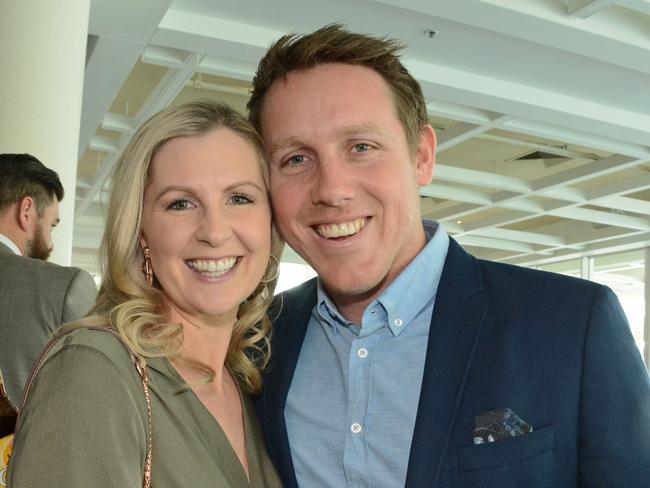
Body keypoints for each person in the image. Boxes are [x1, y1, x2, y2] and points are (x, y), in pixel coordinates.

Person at [247, 24, 650, 487]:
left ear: (422, 156)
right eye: (295, 159)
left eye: (361, 147)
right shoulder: (259, 339)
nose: (331, 190)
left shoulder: (572, 325)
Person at [8, 101, 284, 487]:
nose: (215, 232)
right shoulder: (94, 371)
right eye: (180, 204)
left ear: (270, 221)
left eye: (239, 198)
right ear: (141, 232)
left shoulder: (247, 383)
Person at [0, 153, 96, 416]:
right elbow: (92, 404)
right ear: (27, 210)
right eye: (51, 225)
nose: (51, 244)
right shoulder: (66, 287)